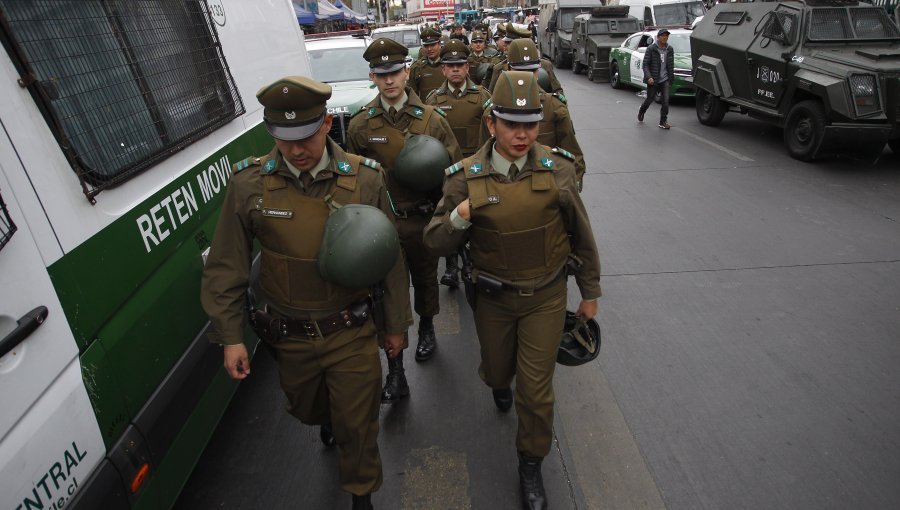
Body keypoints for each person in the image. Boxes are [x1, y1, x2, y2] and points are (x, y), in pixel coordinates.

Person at [201, 76, 412, 510]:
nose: (297, 149)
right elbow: (226, 266)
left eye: (306, 136)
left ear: (326, 124)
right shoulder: (249, 186)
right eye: (284, 138)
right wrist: (231, 336)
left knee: (358, 422)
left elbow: (390, 260)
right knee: (308, 409)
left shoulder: (365, 180)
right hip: (291, 336)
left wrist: (395, 326)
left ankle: (361, 495)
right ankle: (327, 417)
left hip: (350, 328)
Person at [423, 70, 601, 510]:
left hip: (546, 297)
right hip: (494, 299)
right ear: (491, 124)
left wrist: (590, 291)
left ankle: (530, 464)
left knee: (536, 391)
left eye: (530, 124)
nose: (522, 135)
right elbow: (434, 240)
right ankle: (498, 382)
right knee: (498, 372)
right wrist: (461, 214)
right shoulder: (465, 177)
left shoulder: (558, 170)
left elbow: (582, 236)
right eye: (511, 124)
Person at [347, 38, 463, 398]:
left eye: (395, 72)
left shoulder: (432, 120)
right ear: (373, 76)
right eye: (381, 75)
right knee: (383, 294)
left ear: (406, 71)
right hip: (380, 226)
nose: (389, 80)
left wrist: (447, 214)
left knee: (425, 278)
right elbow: (353, 181)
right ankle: (395, 368)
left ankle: (427, 325)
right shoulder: (361, 125)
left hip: (421, 218)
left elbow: (454, 172)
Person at [426, 39, 492, 288]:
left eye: (460, 65)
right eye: (450, 65)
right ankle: (452, 266)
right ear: (443, 70)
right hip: (446, 173)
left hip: (476, 169)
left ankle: (477, 263)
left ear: (468, 68)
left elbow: (493, 133)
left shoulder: (483, 97)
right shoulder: (432, 100)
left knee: (478, 218)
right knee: (450, 218)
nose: (455, 69)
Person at [479, 38, 586, 189]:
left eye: (532, 71)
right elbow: (482, 155)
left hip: (546, 186)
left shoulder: (554, 107)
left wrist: (567, 189)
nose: (526, 76)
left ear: (539, 70)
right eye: (520, 71)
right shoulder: (493, 112)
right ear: (508, 69)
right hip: (504, 188)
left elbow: (573, 155)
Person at [486, 24, 563, 95]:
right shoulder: (499, 68)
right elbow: (492, 96)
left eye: (509, 42)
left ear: (523, 43)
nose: (504, 44)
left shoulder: (544, 65)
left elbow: (557, 92)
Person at [638, 28, 675, 129]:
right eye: (663, 36)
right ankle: (642, 110)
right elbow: (645, 64)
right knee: (650, 99)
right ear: (658, 37)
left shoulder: (670, 49)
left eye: (666, 36)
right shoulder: (651, 49)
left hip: (665, 79)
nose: (665, 37)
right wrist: (649, 77)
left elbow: (671, 65)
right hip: (653, 79)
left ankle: (663, 121)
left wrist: (671, 78)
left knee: (666, 101)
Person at [409, 26, 445, 100]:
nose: (429, 49)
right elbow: (412, 95)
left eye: (432, 45)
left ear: (439, 45)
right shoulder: (417, 67)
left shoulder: (448, 65)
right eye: (426, 46)